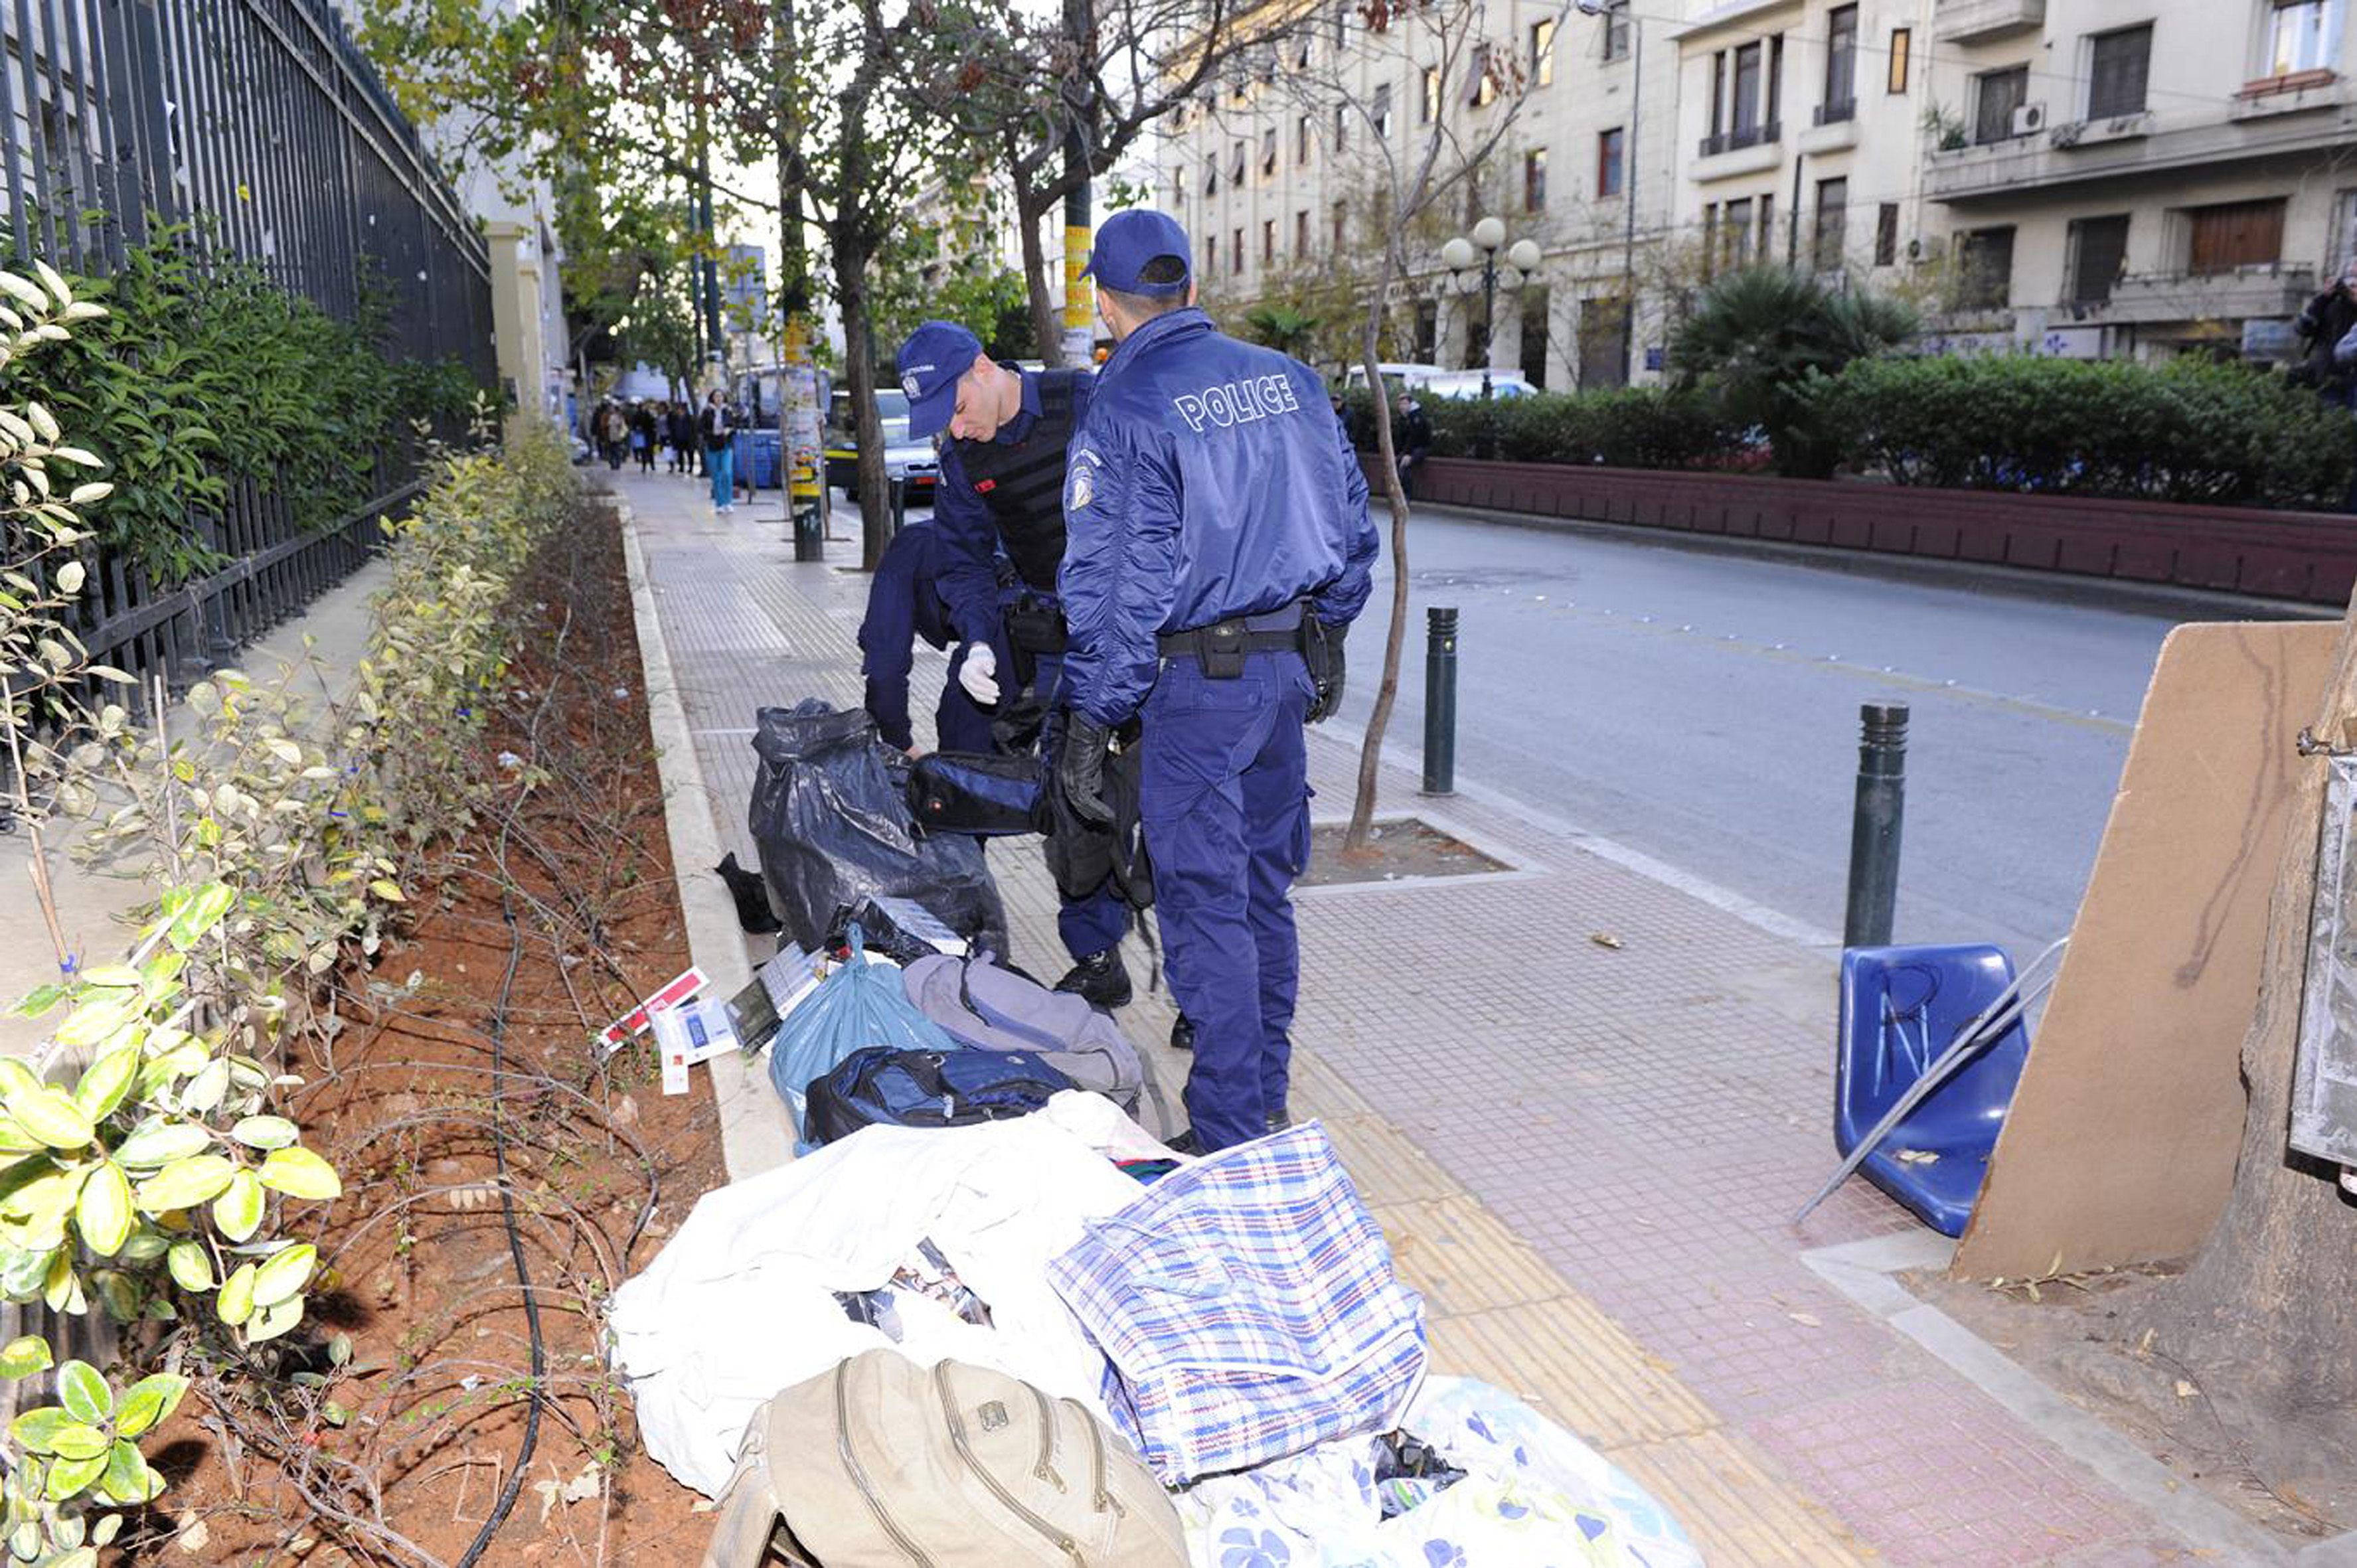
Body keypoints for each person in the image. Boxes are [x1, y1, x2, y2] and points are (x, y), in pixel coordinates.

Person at [1054, 208, 1377, 1153]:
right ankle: (1264, 1097)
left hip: (1194, 689)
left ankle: (1233, 1130)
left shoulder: (1124, 404)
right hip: (1280, 675)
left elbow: (1117, 585)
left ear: (1107, 306)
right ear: (1191, 289)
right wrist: (1328, 628)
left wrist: (1090, 716)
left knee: (1206, 912)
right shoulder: (1289, 380)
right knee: (1262, 895)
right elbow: (1350, 523)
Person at [896, 319, 1143, 1010]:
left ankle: (1197, 991)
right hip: (1055, 642)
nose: (956, 429)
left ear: (981, 368)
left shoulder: (1091, 402)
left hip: (1139, 636)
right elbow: (965, 563)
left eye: (957, 409)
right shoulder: (961, 462)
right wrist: (977, 638)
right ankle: (1097, 956)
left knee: (1160, 812)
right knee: (1070, 805)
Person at [856, 517, 1007, 755]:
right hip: (1049, 639)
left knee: (963, 752)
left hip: (1004, 641)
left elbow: (885, 666)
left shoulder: (910, 549)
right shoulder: (999, 531)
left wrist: (901, 745)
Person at [700, 390, 736, 512]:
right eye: (716, 396)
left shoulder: (729, 410)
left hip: (726, 445)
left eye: (721, 396)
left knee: (727, 473)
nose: (719, 398)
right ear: (712, 398)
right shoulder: (707, 411)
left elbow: (734, 425)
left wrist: (729, 430)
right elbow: (701, 429)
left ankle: (728, 502)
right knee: (716, 476)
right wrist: (712, 434)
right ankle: (719, 504)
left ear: (724, 398)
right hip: (712, 445)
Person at [1395, 390, 1432, 493]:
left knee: (1404, 464)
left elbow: (1414, 438)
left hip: (1422, 447)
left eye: (1404, 404)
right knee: (1396, 462)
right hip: (1410, 448)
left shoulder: (1417, 417)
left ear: (1410, 404)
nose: (1402, 407)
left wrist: (1407, 454)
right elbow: (1400, 438)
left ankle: (1407, 494)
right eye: (1400, 404)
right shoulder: (1403, 418)